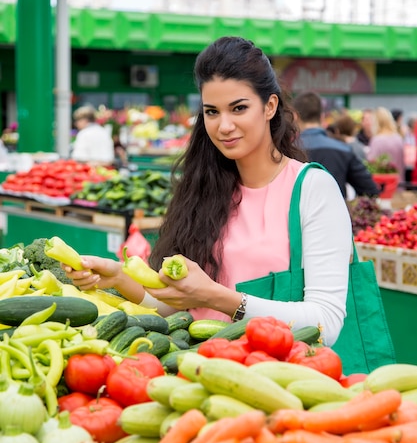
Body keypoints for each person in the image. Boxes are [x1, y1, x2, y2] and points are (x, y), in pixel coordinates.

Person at [63, 36, 353, 346]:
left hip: (274, 380)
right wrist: (120, 279)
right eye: (212, 112)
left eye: (238, 108)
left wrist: (217, 297)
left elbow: (326, 324)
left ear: (270, 106)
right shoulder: (206, 190)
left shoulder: (312, 189)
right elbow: (180, 310)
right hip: (200, 373)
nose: (223, 125)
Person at [291, 92, 380, 199]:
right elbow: (370, 190)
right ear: (322, 116)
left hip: (295, 215)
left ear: (295, 116)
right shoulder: (343, 150)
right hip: (334, 213)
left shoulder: (286, 151)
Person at [367, 107, 405, 182]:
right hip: (398, 182)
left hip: (384, 185)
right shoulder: (398, 138)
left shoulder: (377, 140)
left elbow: (371, 163)